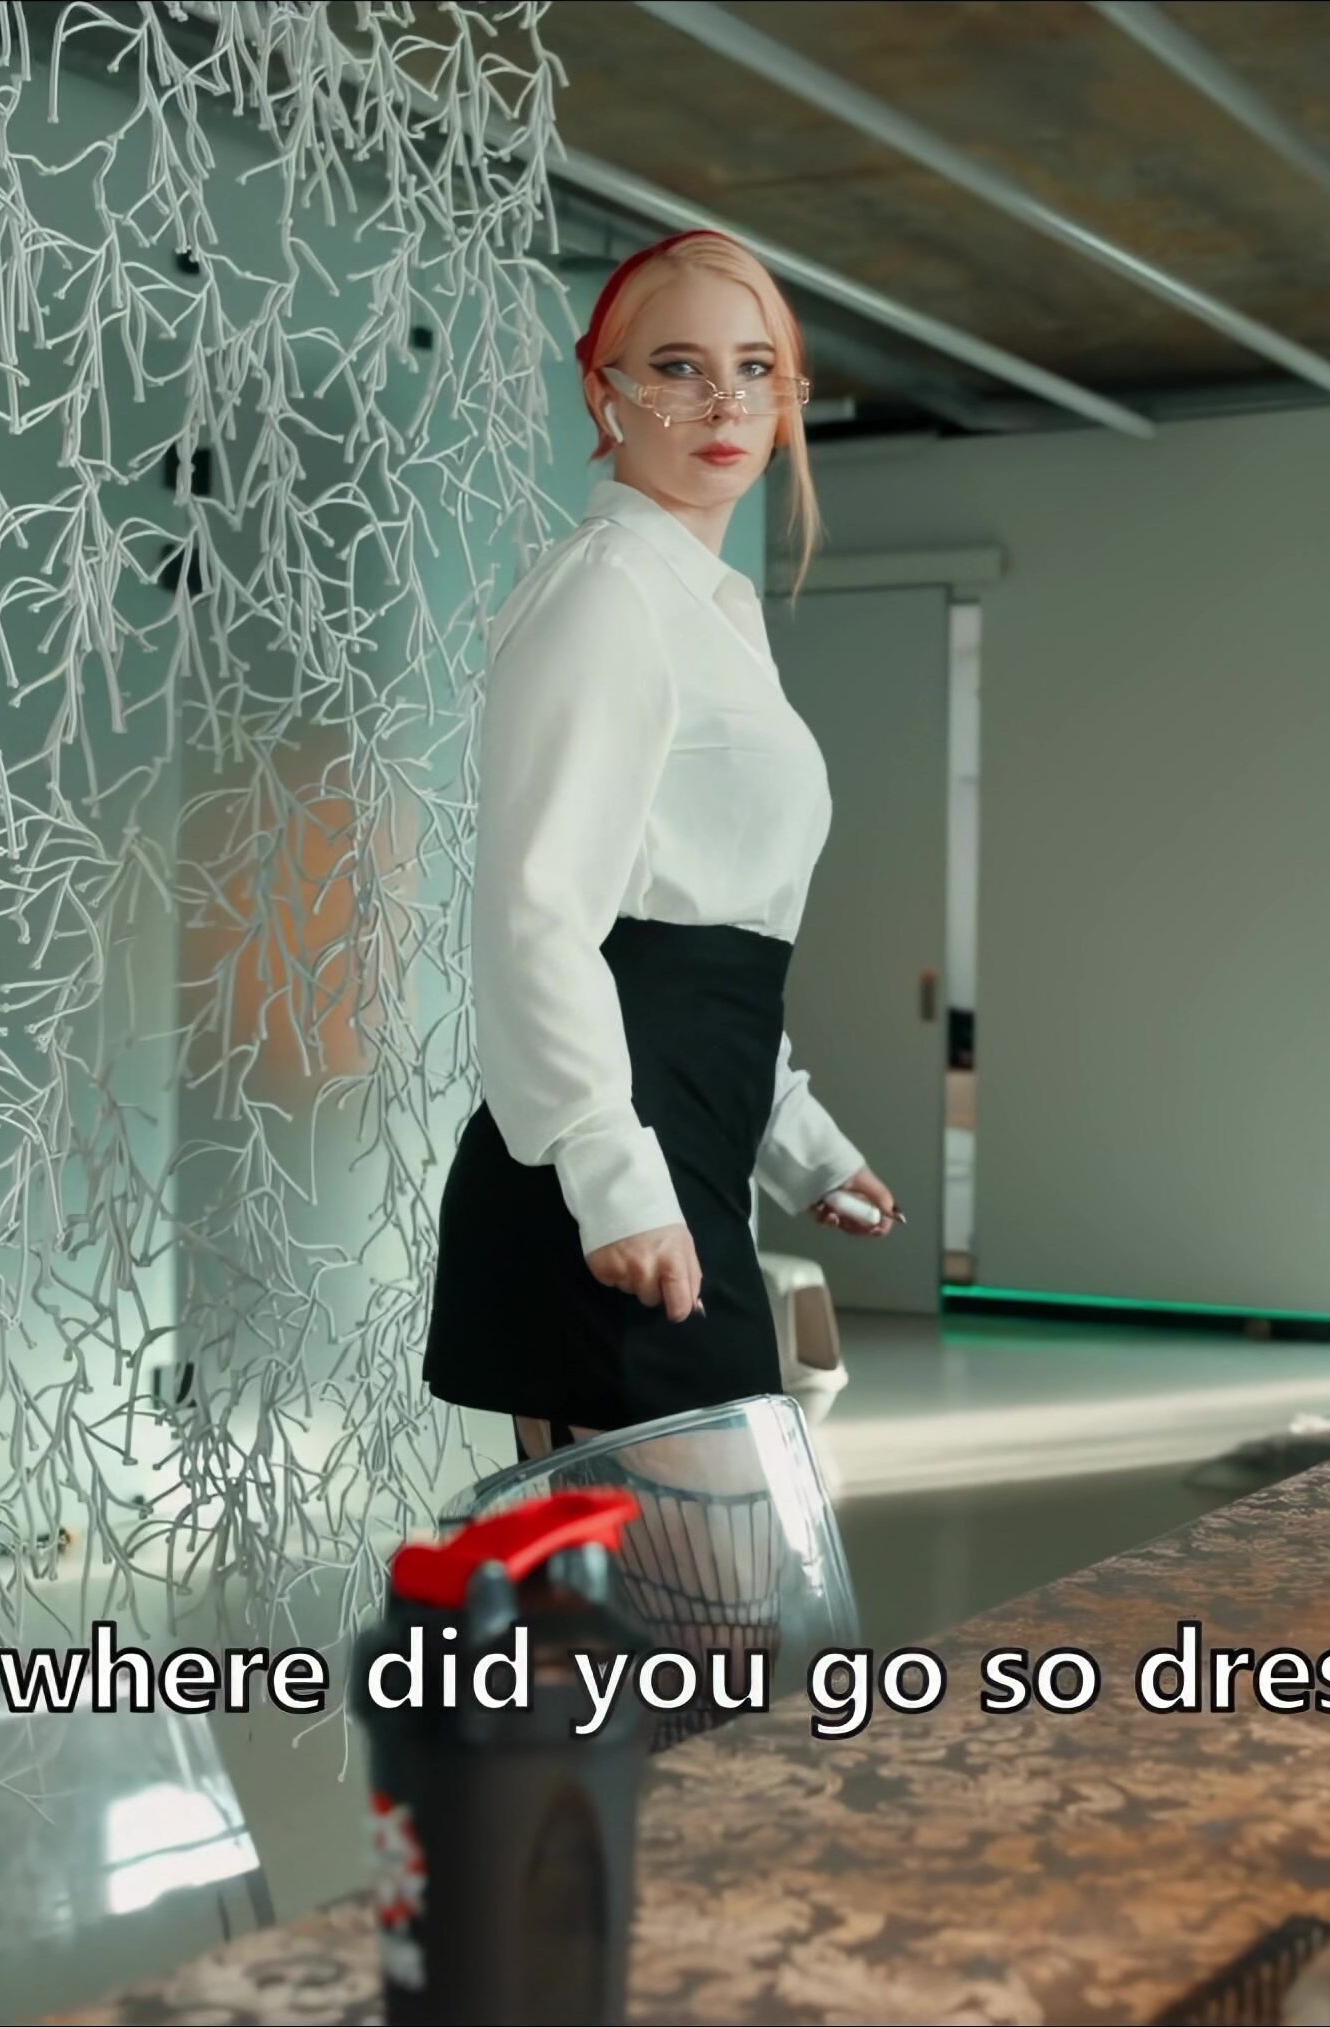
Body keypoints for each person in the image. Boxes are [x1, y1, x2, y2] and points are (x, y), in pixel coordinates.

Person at [424, 230, 897, 1465]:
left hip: (682, 1137)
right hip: (612, 1159)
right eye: (680, 366)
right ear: (607, 393)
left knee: (647, 1585)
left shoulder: (712, 606)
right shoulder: (607, 590)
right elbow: (541, 915)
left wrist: (800, 1140)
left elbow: (704, 933)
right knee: (695, 1579)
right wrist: (613, 1180)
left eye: (755, 368)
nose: (724, 403)